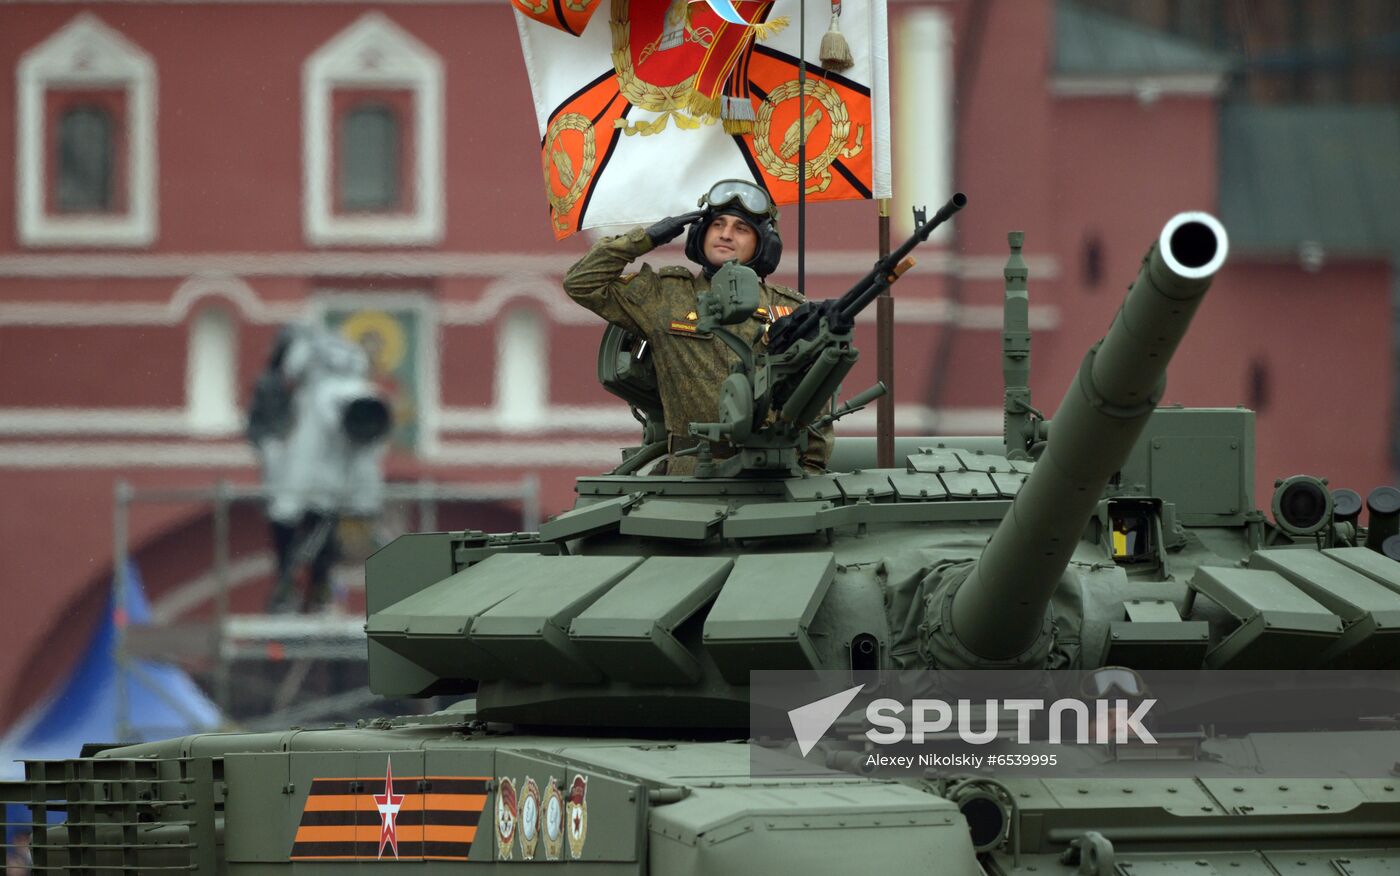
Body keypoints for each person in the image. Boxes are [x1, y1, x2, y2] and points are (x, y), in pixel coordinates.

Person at [564, 179, 830, 474]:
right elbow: (581, 282)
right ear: (701, 234)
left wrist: (812, 471)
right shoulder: (665, 296)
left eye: (741, 229)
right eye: (718, 225)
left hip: (770, 475)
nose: (726, 235)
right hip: (691, 476)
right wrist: (646, 238)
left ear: (763, 244)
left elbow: (815, 397)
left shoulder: (788, 310)